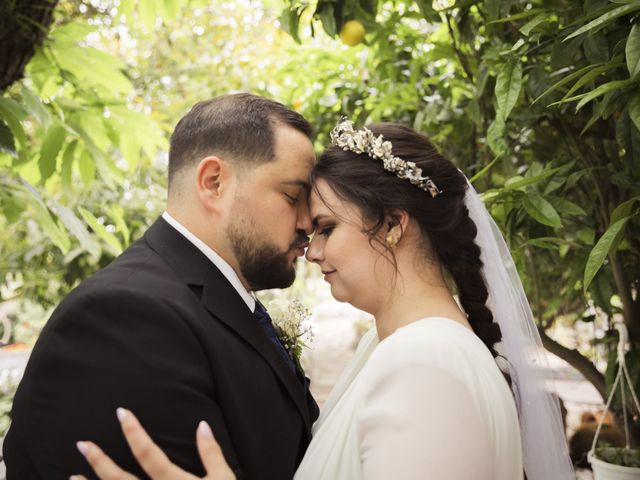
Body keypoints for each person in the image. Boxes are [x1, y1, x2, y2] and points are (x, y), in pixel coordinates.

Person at [75, 120, 575, 479]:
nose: (309, 250)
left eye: (327, 228)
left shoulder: (425, 364)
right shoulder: (390, 348)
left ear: (394, 225)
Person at [3, 94, 320, 479]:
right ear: (214, 182)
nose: (308, 221)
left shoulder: (218, 300)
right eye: (292, 196)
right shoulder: (122, 318)